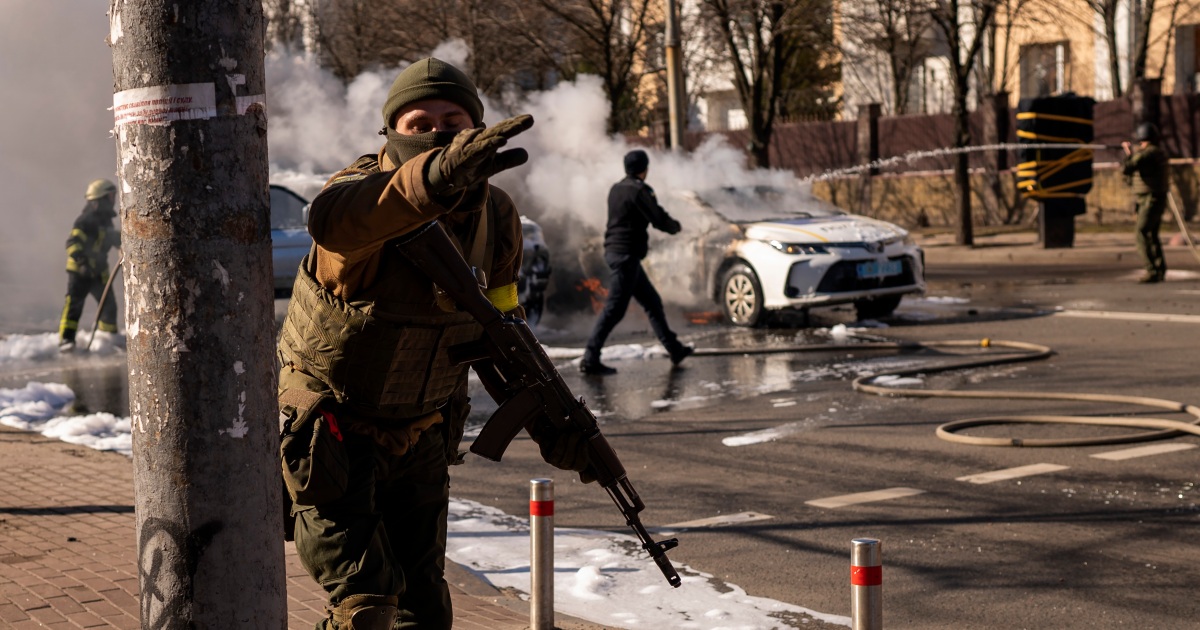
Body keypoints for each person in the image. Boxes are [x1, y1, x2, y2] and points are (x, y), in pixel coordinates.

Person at [275, 58, 591, 630]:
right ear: (391, 130)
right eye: (419, 122)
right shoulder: (357, 194)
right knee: (366, 607)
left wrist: (554, 423)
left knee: (425, 610)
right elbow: (332, 223)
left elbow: (502, 327)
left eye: (454, 118)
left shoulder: (496, 214)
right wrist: (433, 179)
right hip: (332, 434)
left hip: (421, 430)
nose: (437, 132)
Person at [580, 149, 693, 375]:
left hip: (618, 253)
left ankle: (674, 349)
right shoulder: (640, 190)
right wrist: (676, 226)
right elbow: (658, 219)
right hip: (626, 256)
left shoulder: (616, 188)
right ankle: (590, 358)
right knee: (614, 310)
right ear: (644, 168)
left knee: (652, 302)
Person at [58, 179, 120, 352]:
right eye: (110, 196)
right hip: (80, 271)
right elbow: (72, 243)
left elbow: (109, 238)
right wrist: (83, 263)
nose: (113, 199)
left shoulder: (105, 221)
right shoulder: (85, 220)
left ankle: (107, 339)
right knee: (74, 305)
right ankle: (66, 341)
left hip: (99, 271)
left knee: (108, 305)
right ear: (99, 199)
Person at [1122, 122, 1169, 283]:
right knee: (1151, 234)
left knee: (1141, 232)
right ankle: (1158, 269)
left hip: (1150, 199)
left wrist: (1128, 153)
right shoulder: (1155, 152)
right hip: (1151, 198)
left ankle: (1152, 269)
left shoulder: (1149, 153)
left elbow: (1128, 167)